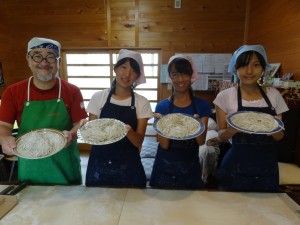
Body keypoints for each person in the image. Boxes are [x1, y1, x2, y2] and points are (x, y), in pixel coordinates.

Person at [0, 37, 88, 185]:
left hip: (65, 164)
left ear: (58, 62)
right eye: (37, 56)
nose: (44, 62)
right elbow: (4, 126)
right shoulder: (13, 92)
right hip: (31, 167)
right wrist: (4, 139)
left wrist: (71, 134)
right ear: (28, 59)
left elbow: (80, 122)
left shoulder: (72, 91)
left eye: (50, 56)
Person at [213, 45, 289, 192]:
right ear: (235, 68)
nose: (249, 71)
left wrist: (270, 125)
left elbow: (280, 137)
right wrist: (232, 129)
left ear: (263, 67)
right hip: (235, 167)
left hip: (266, 168)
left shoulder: (274, 95)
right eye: (243, 65)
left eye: (255, 65)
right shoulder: (225, 96)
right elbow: (221, 137)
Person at [85, 49, 152, 187]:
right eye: (123, 67)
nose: (127, 74)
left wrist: (128, 131)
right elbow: (93, 136)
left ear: (137, 76)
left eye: (133, 70)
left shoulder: (142, 102)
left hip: (129, 167)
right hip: (99, 165)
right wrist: (86, 128)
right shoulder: (99, 97)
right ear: (115, 68)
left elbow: (138, 141)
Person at [149, 54, 212, 189]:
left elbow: (201, 142)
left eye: (184, 74)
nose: (180, 79)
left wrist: (197, 125)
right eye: (175, 74)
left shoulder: (203, 106)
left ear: (191, 76)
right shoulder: (162, 107)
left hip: (190, 165)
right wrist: (163, 124)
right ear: (170, 77)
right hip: (164, 165)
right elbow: (164, 145)